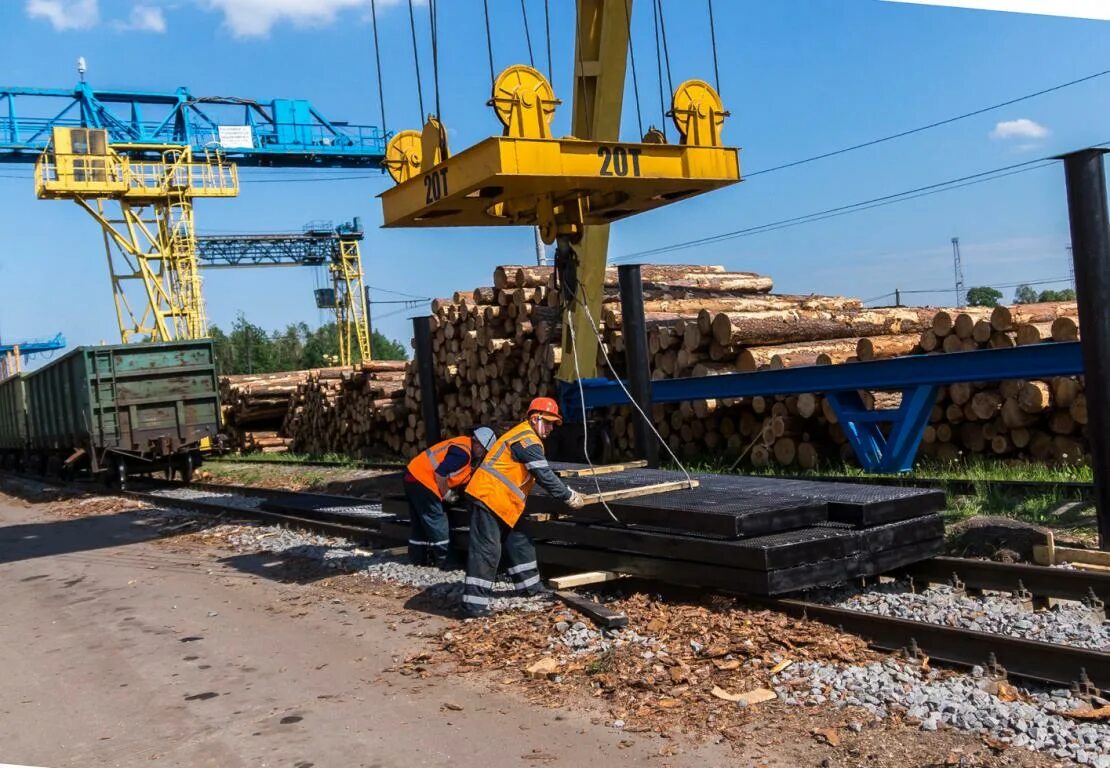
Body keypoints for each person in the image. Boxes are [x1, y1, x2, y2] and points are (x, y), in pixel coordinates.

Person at [460, 397, 585, 617]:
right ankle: (474, 605)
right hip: (489, 497)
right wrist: (567, 496)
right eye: (547, 422)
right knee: (487, 551)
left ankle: (530, 588)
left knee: (521, 541)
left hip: (504, 502)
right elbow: (544, 475)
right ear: (534, 418)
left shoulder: (527, 437)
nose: (549, 428)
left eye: (553, 424)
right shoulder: (527, 440)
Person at [404, 426, 497, 568]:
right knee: (437, 519)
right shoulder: (463, 454)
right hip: (423, 481)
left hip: (412, 476)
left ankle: (418, 557)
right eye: (484, 451)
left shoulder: (463, 444)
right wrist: (446, 493)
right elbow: (440, 474)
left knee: (419, 522)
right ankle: (446, 560)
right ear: (478, 444)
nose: (483, 455)